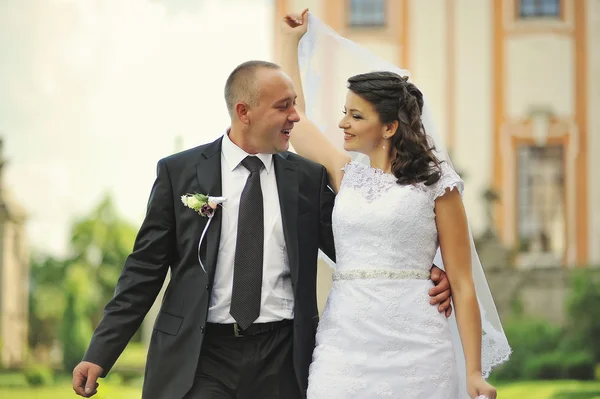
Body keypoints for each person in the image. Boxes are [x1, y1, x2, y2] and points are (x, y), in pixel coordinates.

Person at [71, 60, 453, 399]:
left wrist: (424, 270)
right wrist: (99, 353)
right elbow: (143, 270)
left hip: (282, 357)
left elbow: (354, 245)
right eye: (283, 106)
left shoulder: (307, 177)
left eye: (294, 105)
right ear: (244, 112)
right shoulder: (180, 173)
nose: (295, 117)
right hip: (200, 356)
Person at [280, 9, 511, 399]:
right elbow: (297, 119)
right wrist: (291, 42)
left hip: (418, 345)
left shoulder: (438, 185)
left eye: (355, 115)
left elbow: (462, 282)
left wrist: (473, 372)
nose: (342, 124)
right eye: (344, 113)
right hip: (344, 343)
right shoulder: (345, 173)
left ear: (388, 127)